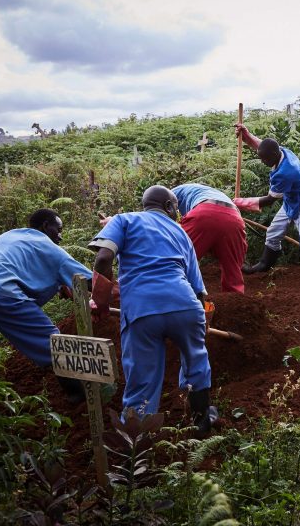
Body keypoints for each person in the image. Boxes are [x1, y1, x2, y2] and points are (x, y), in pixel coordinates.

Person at [89, 185, 214, 434]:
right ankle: (201, 422)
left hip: (142, 311)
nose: (178, 212)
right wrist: (201, 324)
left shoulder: (124, 221)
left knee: (142, 378)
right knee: (196, 360)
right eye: (176, 206)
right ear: (168, 206)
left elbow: (103, 259)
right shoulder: (181, 233)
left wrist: (101, 303)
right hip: (185, 305)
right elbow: (199, 290)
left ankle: (137, 447)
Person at [0, 208, 91, 403]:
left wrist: (58, 284)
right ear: (45, 226)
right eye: (58, 230)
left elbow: (17, 267)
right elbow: (87, 280)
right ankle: (79, 399)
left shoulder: (7, 236)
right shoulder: (47, 245)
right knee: (55, 344)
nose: (60, 236)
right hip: (0, 296)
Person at [232, 125, 300, 275]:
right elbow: (261, 145)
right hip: (291, 201)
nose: (263, 162)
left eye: (265, 159)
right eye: (261, 158)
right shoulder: (282, 152)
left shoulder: (286, 172)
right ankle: (264, 265)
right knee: (273, 233)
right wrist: (246, 135)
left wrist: (240, 202)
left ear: (274, 154)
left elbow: (270, 200)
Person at [172, 183, 247, 294]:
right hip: (234, 218)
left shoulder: (170, 192)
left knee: (177, 258)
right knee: (232, 268)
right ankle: (234, 300)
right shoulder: (211, 192)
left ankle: (172, 295)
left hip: (203, 213)